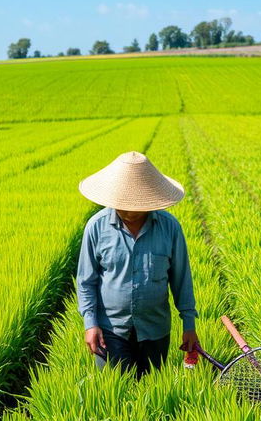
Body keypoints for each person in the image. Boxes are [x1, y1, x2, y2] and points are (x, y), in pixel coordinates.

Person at [76, 151, 198, 377]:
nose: (127, 209)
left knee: (152, 393)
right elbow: (86, 281)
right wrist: (90, 324)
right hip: (110, 330)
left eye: (134, 203)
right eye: (121, 202)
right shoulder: (96, 227)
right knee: (115, 397)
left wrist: (189, 324)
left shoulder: (170, 228)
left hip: (155, 330)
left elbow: (181, 279)